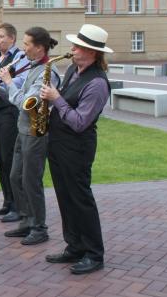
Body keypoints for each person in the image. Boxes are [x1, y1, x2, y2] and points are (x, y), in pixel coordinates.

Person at [39, 24, 112, 275]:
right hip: (58, 144)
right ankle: (74, 246)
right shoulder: (73, 69)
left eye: (77, 46)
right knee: (65, 196)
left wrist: (55, 98)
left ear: (92, 52)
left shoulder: (98, 84)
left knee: (80, 199)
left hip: (77, 148)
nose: (71, 49)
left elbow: (80, 122)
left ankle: (94, 254)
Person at [0, 27, 60, 246]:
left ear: (39, 48)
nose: (23, 48)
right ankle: (25, 220)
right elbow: (19, 95)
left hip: (36, 133)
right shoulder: (32, 65)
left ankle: (39, 227)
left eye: (26, 44)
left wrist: (7, 82)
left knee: (31, 180)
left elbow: (25, 102)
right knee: (15, 177)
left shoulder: (48, 72)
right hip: (23, 129)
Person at [0, 23, 27, 222]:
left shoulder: (18, 57)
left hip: (9, 112)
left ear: (12, 38)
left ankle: (17, 206)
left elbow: (17, 85)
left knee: (9, 159)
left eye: (1, 36)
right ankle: (7, 201)